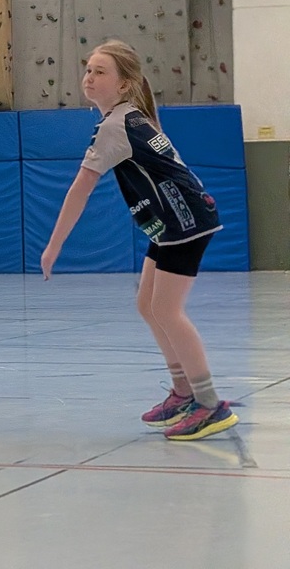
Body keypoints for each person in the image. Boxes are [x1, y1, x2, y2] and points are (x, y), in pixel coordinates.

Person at [40, 39, 236, 441]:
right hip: (171, 222)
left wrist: (53, 246)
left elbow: (80, 190)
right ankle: (183, 392)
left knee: (166, 309)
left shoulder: (117, 126)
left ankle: (209, 404)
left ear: (124, 84)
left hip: (184, 221)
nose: (89, 77)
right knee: (147, 304)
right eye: (88, 69)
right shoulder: (127, 118)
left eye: (100, 71)